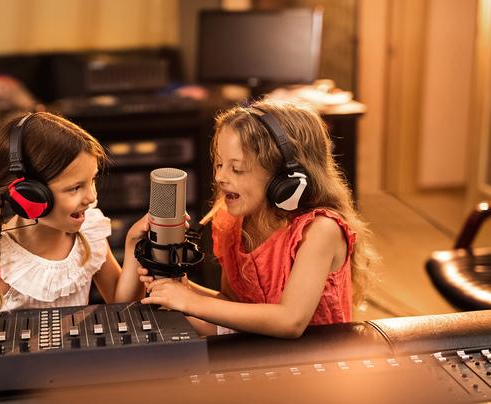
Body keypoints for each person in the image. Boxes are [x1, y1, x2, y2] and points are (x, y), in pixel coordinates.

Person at [140, 99, 378, 338]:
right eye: (219, 164)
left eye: (237, 169)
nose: (220, 177)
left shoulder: (320, 230)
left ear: (286, 178)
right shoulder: (233, 223)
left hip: (316, 355)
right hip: (261, 349)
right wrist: (182, 288)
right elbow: (233, 304)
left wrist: (192, 302)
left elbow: (291, 321)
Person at [0, 112, 148, 319]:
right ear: (28, 195)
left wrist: (133, 243)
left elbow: (124, 309)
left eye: (92, 180)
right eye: (75, 188)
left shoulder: (89, 236)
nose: (91, 197)